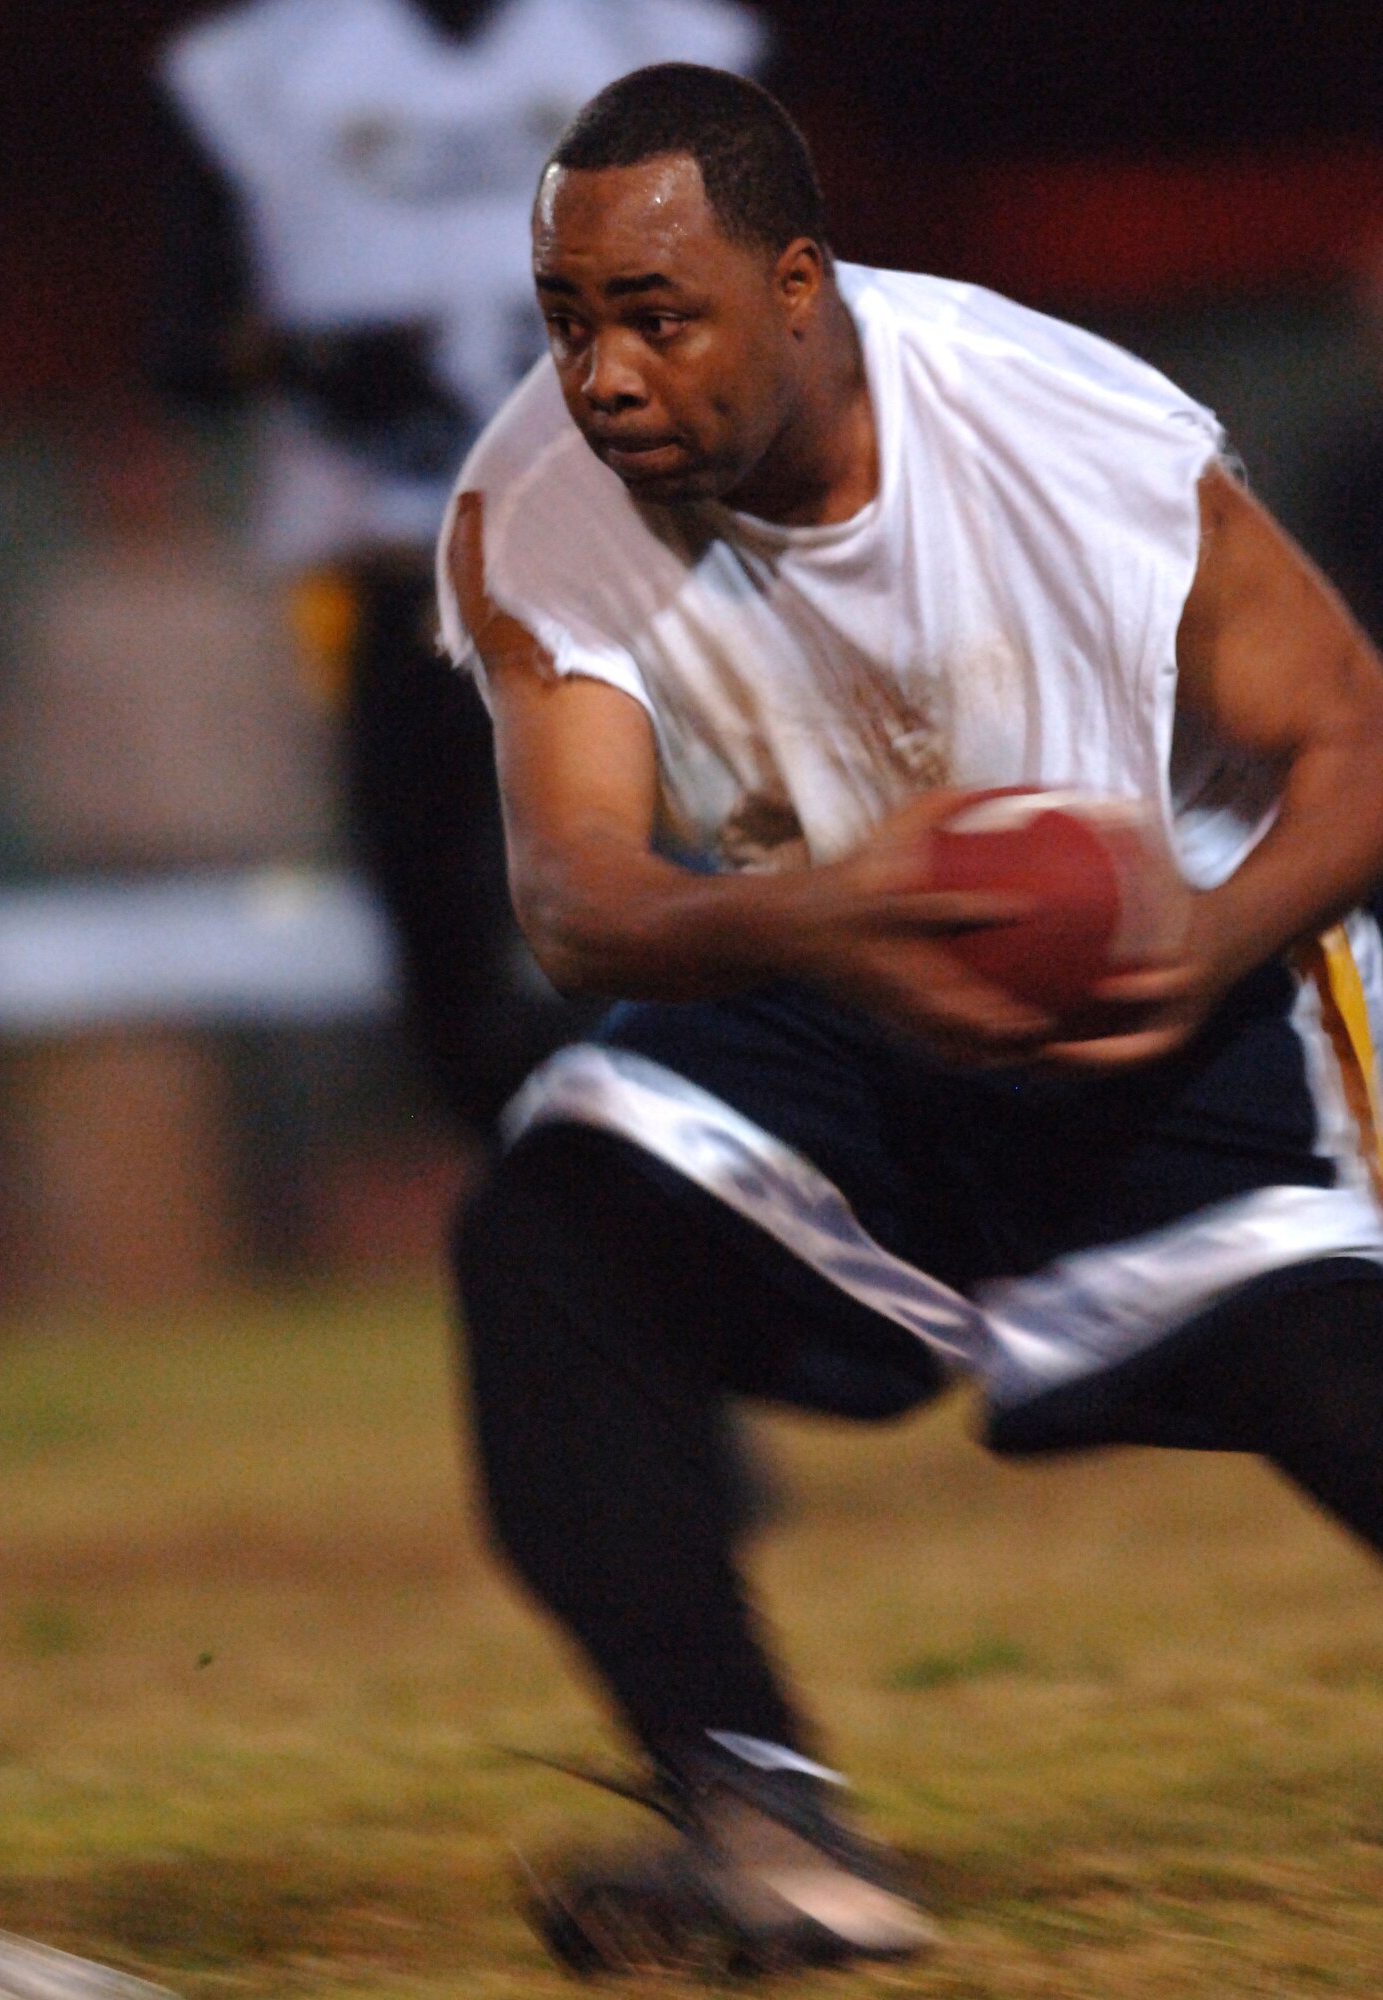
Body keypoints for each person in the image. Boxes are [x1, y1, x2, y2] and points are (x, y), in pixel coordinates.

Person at [439, 63, 1383, 1976]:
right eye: (569, 318)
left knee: (1336, 1385)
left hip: (1173, 993)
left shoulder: (1054, 419)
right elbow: (578, 899)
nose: (604, 375)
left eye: (655, 314)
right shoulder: (535, 500)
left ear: (802, 285)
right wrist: (834, 919)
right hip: (838, 976)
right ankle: (763, 1817)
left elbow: (1351, 732)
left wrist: (1204, 947)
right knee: (553, 1233)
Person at [153, 0, 765, 1137]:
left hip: (646, 561)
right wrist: (304, 355)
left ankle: (746, 1185)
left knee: (715, 911)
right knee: (457, 962)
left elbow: (793, 289)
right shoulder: (253, 73)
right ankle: (574, 1199)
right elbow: (186, 342)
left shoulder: (651, 36)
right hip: (407, 584)